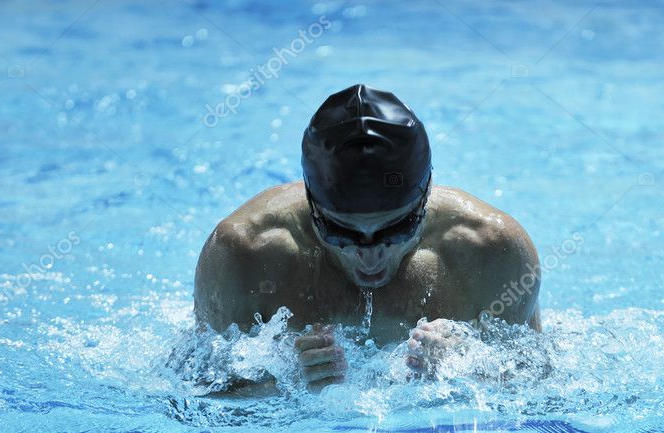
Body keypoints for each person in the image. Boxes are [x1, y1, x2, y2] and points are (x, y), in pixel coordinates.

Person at [194, 84, 540, 392]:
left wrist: (469, 367)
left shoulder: (492, 251)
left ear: (425, 199)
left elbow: (541, 380)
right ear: (312, 206)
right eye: (341, 233)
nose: (370, 257)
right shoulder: (244, 254)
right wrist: (281, 382)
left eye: (395, 230)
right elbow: (191, 390)